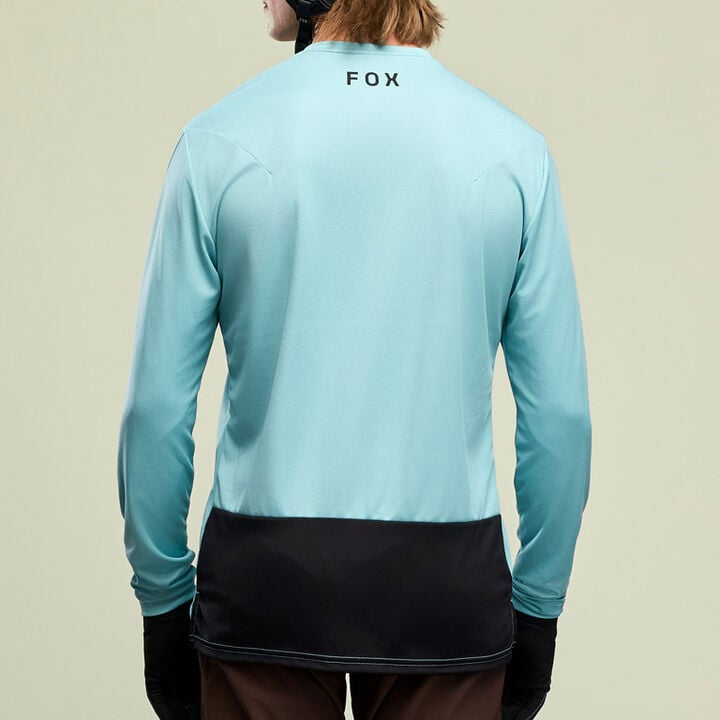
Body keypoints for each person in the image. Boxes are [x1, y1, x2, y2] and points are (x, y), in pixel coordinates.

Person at [116, 1, 592, 718]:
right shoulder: (513, 152)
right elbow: (560, 418)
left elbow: (154, 411)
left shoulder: (218, 141)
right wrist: (538, 607)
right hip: (448, 585)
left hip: (263, 582)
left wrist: (161, 602)